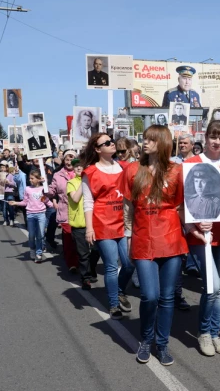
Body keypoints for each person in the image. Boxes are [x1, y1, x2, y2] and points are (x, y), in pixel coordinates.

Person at [122, 125, 189, 365]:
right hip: (143, 240)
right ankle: (146, 339)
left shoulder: (177, 171)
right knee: (150, 296)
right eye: (144, 139)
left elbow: (183, 206)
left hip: (171, 241)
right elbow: (128, 208)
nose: (145, 143)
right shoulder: (132, 170)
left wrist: (194, 229)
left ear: (162, 143)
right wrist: (128, 236)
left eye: (151, 139)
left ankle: (162, 345)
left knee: (167, 298)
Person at [183, 120, 220, 357]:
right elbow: (181, 203)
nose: (217, 141)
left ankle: (214, 333)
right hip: (200, 236)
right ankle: (204, 333)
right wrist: (193, 225)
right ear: (205, 137)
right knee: (212, 286)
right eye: (213, 136)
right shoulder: (190, 164)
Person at [82, 133, 135, 319]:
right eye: (107, 142)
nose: (112, 144)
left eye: (111, 140)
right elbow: (88, 202)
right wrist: (89, 228)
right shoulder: (90, 172)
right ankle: (114, 305)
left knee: (129, 264)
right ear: (98, 149)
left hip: (124, 222)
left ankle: (119, 289)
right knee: (111, 266)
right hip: (103, 224)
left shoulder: (125, 167)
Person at [67, 157, 100, 291]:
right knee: (83, 253)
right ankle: (85, 278)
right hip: (79, 224)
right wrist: (84, 181)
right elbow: (75, 198)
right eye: (76, 167)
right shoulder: (71, 182)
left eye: (81, 166)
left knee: (97, 250)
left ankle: (91, 269)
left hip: (94, 222)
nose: (79, 168)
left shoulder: (93, 180)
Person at [9, 170, 53, 263]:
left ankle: (39, 253)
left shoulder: (42, 189)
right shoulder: (28, 189)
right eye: (29, 178)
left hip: (41, 214)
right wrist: (15, 203)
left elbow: (45, 200)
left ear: (38, 179)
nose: (30, 180)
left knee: (40, 235)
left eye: (32, 178)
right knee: (32, 235)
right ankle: (32, 249)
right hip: (30, 214)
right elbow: (25, 202)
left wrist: (55, 206)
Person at [47, 150, 80, 273]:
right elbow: (51, 191)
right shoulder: (58, 175)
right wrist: (45, 188)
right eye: (67, 159)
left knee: (79, 239)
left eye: (72, 159)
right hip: (65, 210)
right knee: (68, 238)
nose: (69, 161)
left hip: (80, 211)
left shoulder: (82, 173)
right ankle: (72, 263)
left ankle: (80, 259)